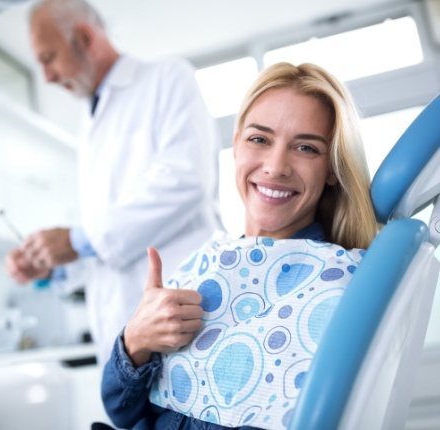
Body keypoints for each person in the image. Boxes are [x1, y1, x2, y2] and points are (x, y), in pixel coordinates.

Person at [99, 62, 378, 429]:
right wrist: (135, 341)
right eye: (259, 139)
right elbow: (122, 412)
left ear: (331, 168)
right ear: (235, 145)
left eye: (306, 148)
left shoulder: (335, 285)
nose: (276, 167)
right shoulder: (204, 266)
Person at [5, 0, 220, 364]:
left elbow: (185, 180)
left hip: (180, 321)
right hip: (123, 336)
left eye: (49, 58)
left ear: (85, 38)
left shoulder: (167, 79)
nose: (47, 77)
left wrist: (75, 240)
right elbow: (109, 241)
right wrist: (53, 261)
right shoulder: (90, 121)